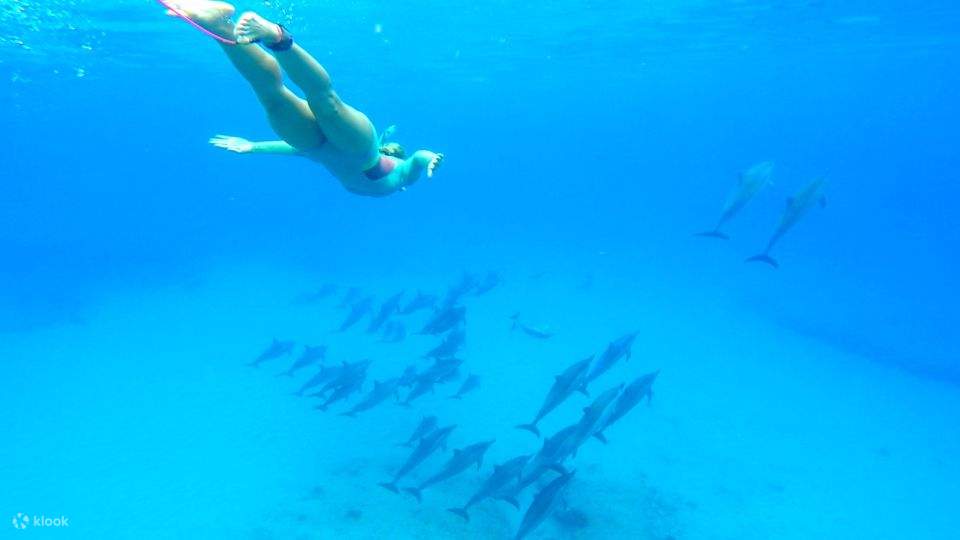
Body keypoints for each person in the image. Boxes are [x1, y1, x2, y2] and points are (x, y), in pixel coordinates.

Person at [159, 0, 443, 197]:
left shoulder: (389, 178)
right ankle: (277, 37)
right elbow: (417, 160)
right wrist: (431, 158)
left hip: (316, 147)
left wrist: (251, 147)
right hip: (359, 146)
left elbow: (291, 149)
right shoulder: (399, 179)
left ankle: (220, 25)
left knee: (273, 98)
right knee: (325, 103)